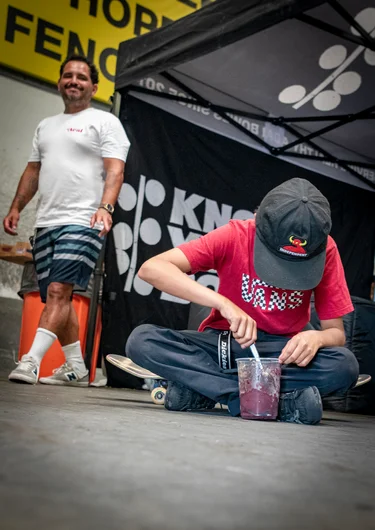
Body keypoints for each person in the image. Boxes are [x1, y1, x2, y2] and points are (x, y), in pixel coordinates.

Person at [124, 178, 359, 425]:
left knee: (345, 367)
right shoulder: (236, 235)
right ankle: (269, 402)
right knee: (143, 341)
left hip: (280, 356)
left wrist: (316, 338)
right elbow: (152, 269)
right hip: (223, 347)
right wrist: (224, 304)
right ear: (259, 225)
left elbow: (336, 332)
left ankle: (205, 388)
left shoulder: (327, 251)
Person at [4, 54, 130, 386]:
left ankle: (31, 361)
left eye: (82, 77)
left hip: (84, 219)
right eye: (68, 76)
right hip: (47, 222)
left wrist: (106, 208)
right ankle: (76, 365)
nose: (74, 81)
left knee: (59, 290)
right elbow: (33, 171)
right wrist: (17, 207)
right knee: (57, 296)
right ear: (60, 81)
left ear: (94, 86)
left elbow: (116, 169)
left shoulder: (105, 122)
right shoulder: (45, 126)